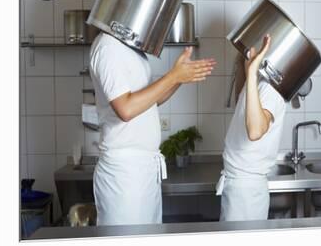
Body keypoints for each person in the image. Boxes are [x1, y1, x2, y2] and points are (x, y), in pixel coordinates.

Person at [89, 32, 216, 226]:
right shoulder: (108, 46)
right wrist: (173, 76)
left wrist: (179, 78)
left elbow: (150, 101)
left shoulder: (132, 48)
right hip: (124, 175)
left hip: (144, 172)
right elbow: (126, 108)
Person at [216, 34, 287, 221]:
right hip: (238, 187)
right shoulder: (255, 85)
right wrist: (249, 73)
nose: (247, 54)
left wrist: (252, 70)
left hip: (246, 193)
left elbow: (255, 131)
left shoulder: (272, 90)